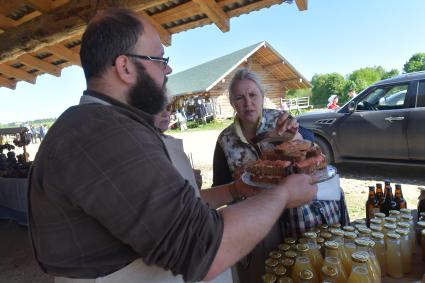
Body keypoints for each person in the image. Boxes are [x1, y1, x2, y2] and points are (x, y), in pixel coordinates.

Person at [28, 8, 317, 283]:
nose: (168, 69)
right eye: (159, 59)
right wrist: (282, 195)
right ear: (125, 67)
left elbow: (170, 211)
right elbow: (202, 247)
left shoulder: (107, 124)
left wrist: (233, 190)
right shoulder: (103, 134)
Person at [212, 68, 349, 283]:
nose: (248, 102)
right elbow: (221, 184)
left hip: (296, 212)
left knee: (307, 268)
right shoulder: (225, 140)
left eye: (253, 95)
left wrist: (296, 135)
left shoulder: (280, 120)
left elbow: (314, 154)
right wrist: (238, 182)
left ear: (262, 96)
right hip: (260, 216)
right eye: (240, 97)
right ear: (232, 102)